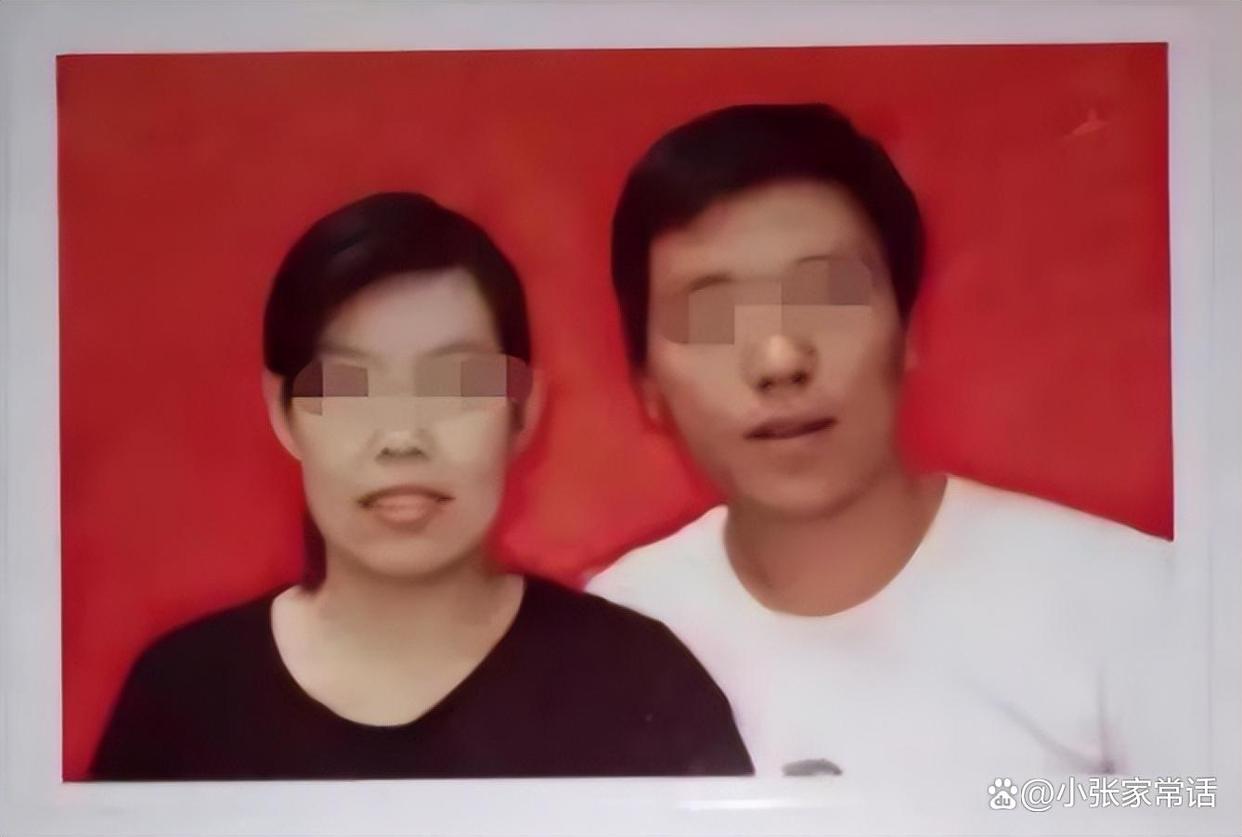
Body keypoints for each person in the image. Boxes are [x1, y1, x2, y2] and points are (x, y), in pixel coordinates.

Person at [587, 104, 1191, 791]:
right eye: (712, 315)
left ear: (908, 332)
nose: (780, 359)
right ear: (647, 386)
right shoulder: (612, 637)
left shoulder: (1138, 605)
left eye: (829, 295)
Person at [90, 192, 752, 780]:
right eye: (349, 387)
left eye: (454, 385)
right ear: (282, 413)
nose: (402, 437)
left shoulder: (639, 686)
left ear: (523, 410)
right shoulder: (183, 698)